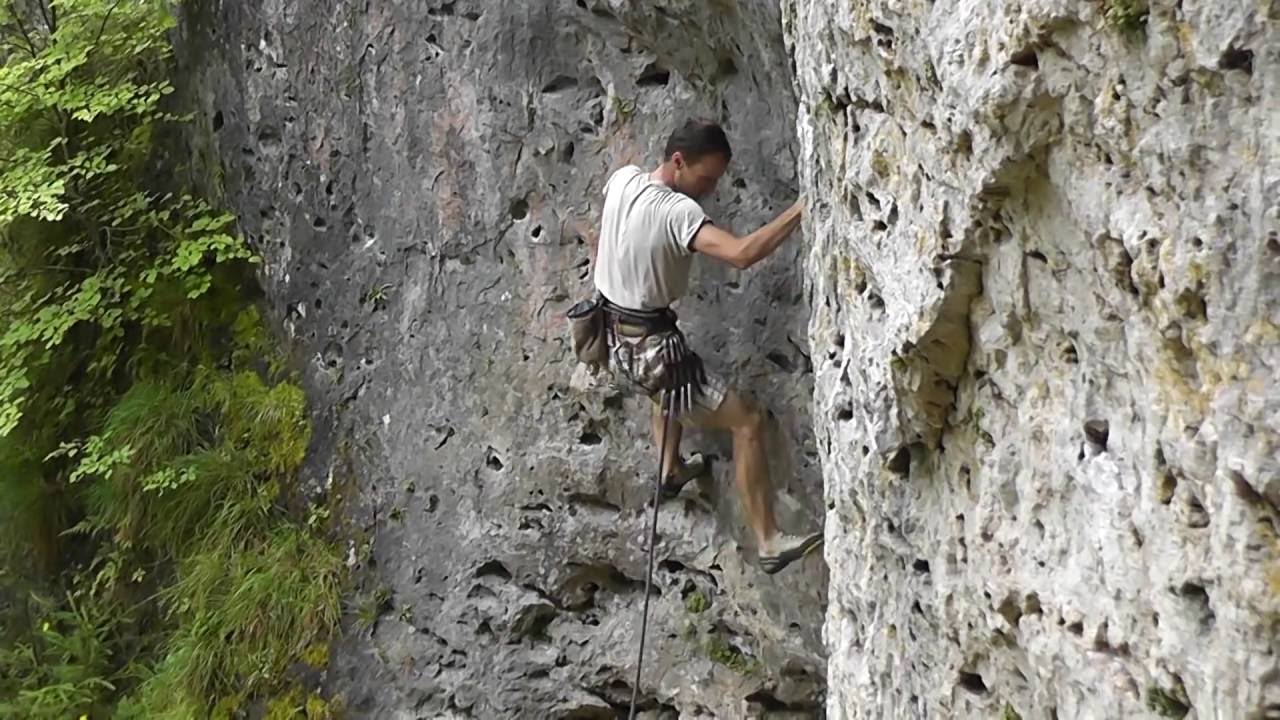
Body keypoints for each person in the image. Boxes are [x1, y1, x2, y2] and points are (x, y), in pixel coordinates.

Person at [591, 118, 823, 575]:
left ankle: (670, 468)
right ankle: (769, 540)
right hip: (652, 351)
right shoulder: (678, 212)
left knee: (663, 388)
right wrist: (802, 208)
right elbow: (741, 254)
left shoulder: (623, 180)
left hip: (613, 341)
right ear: (678, 161)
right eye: (706, 178)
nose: (710, 189)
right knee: (747, 420)